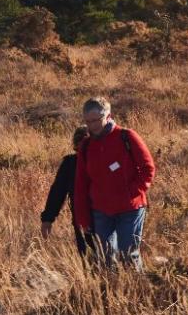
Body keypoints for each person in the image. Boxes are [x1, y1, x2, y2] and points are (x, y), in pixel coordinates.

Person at [74, 97, 156, 271]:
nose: (92, 126)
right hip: (101, 211)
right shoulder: (86, 146)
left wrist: (132, 192)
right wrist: (83, 218)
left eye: (96, 120)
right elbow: (81, 184)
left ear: (108, 116)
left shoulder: (126, 136)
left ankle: (136, 286)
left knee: (129, 255)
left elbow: (148, 168)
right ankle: (111, 287)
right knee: (105, 258)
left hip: (130, 208)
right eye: (88, 122)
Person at [40, 125, 95, 257]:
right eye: (80, 144)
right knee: (86, 256)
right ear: (76, 145)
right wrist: (48, 218)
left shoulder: (103, 160)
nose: (84, 149)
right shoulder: (70, 164)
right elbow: (58, 192)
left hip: (107, 216)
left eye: (88, 144)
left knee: (109, 255)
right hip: (80, 217)